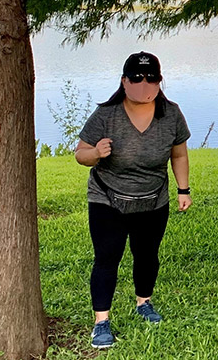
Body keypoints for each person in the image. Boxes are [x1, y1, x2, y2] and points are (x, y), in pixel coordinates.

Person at [75, 51, 192, 349]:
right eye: (137, 78)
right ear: (124, 81)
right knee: (107, 259)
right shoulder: (105, 115)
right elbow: (80, 154)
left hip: (154, 199)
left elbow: (178, 154)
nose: (144, 83)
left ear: (159, 80)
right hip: (108, 199)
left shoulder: (172, 114)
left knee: (147, 255)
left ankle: (144, 303)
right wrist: (96, 153)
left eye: (151, 77)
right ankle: (101, 322)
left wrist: (183, 189)